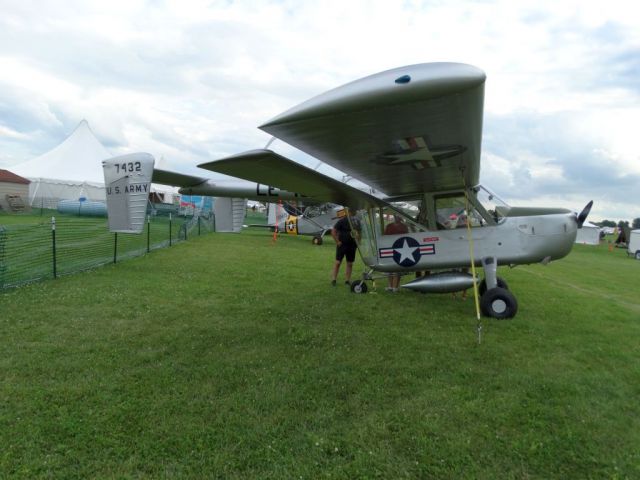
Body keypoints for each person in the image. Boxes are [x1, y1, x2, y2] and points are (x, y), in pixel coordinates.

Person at [330, 213, 360, 286]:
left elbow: (359, 232)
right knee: (338, 263)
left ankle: (347, 280)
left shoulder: (356, 221)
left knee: (350, 264)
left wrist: (358, 241)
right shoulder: (342, 220)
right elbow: (333, 231)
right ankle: (334, 279)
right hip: (342, 245)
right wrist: (337, 241)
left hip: (352, 245)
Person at [384, 215, 409, 292]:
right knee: (389, 268)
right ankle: (390, 286)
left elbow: (406, 236)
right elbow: (385, 236)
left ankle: (395, 287)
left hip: (401, 248)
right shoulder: (389, 226)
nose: (397, 218)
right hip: (390, 248)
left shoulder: (404, 227)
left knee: (397, 268)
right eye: (396, 216)